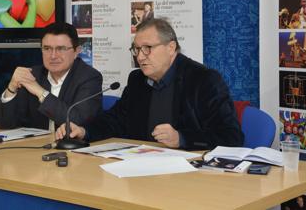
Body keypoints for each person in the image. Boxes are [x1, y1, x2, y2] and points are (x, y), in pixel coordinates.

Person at [55, 18, 243, 150]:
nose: (140, 56)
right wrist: (84, 131)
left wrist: (182, 138)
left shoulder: (204, 80)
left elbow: (231, 137)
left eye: (148, 48)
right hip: (140, 166)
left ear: (171, 48)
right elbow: (116, 121)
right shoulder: (137, 80)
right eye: (136, 49)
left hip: (189, 176)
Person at [0, 22, 103, 132]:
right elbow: (5, 124)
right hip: (36, 146)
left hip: (71, 147)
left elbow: (76, 122)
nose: (53, 56)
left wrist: (40, 92)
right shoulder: (33, 75)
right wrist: (12, 87)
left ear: (76, 51)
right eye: (47, 48)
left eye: (61, 49)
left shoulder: (89, 78)